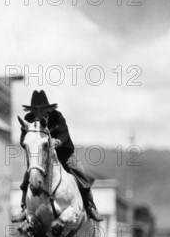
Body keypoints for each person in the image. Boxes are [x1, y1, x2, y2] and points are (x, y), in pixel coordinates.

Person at [12, 90, 103, 223]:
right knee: (28, 177)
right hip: (41, 156)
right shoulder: (27, 121)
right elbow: (23, 141)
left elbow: (64, 135)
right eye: (35, 110)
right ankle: (25, 208)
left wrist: (57, 141)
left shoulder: (57, 116)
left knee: (80, 173)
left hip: (63, 153)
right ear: (31, 110)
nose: (39, 113)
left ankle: (90, 206)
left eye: (42, 109)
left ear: (47, 109)